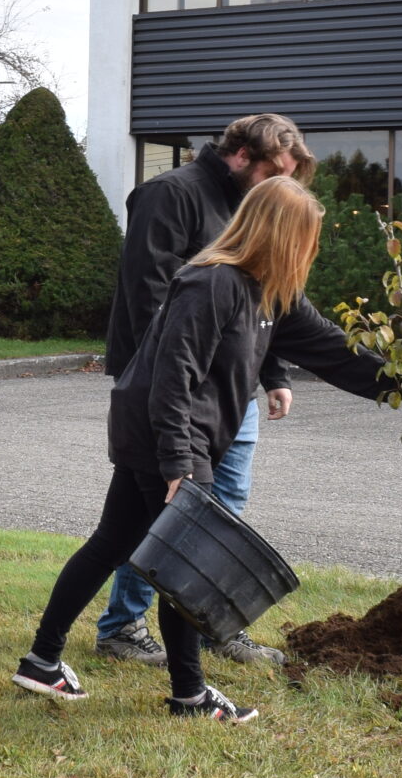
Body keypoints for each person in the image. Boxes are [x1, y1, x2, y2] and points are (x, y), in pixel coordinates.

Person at [15, 176, 384, 722]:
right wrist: (180, 466)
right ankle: (189, 696)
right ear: (279, 235)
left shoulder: (269, 291)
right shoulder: (212, 284)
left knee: (112, 543)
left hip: (174, 436)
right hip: (164, 436)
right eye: (307, 238)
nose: (313, 250)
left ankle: (42, 660)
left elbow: (332, 347)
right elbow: (173, 375)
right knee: (187, 565)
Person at [93, 113, 312, 669]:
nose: (277, 188)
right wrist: (171, 404)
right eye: (273, 173)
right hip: (174, 394)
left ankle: (212, 625)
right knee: (168, 519)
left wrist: (274, 374)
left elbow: (265, 303)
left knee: (221, 512)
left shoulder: (246, 203)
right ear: (243, 156)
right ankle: (124, 628)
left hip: (227, 391)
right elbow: (148, 300)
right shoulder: (171, 195)